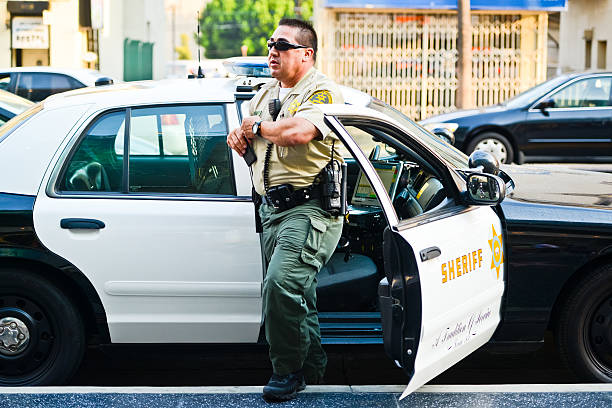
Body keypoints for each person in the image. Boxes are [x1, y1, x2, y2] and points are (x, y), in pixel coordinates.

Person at [227, 18, 344, 401]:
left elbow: (299, 133)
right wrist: (241, 140)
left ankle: (287, 372)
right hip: (272, 210)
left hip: (309, 209)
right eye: (269, 43)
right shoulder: (264, 94)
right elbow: (256, 142)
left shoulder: (322, 91)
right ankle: (314, 372)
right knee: (299, 295)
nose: (271, 51)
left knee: (280, 285)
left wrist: (258, 129)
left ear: (306, 54)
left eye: (281, 44)